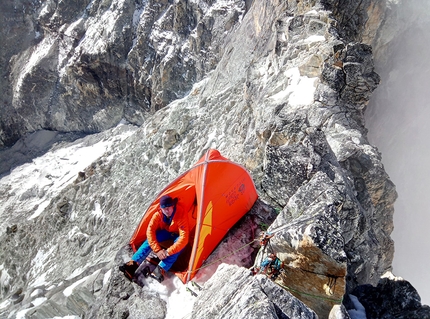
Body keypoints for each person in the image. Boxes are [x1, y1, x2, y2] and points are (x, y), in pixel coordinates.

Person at [120, 195, 190, 282]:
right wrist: (157, 250)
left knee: (180, 245)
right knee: (153, 237)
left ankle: (161, 269)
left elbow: (184, 238)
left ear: (173, 206)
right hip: (167, 232)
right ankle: (133, 264)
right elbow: (150, 231)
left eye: (169, 207)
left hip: (178, 234)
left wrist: (167, 252)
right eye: (164, 208)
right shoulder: (158, 214)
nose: (167, 211)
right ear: (161, 208)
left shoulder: (180, 213)